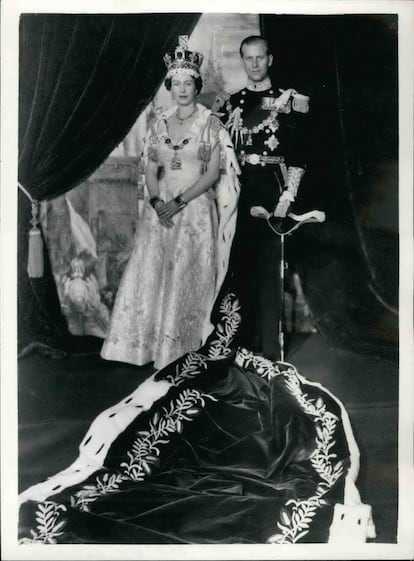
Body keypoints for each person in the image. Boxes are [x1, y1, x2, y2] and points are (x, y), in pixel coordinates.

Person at [100, 36, 240, 371]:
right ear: (169, 86)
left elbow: (210, 175)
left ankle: (181, 348)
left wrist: (177, 202)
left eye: (188, 83)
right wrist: (154, 200)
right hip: (160, 211)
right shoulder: (158, 123)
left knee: (185, 278)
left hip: (193, 211)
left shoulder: (209, 124)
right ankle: (141, 347)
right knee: (152, 275)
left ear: (196, 85)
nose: (182, 89)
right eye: (176, 83)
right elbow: (149, 168)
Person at [213, 35, 310, 361]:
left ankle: (270, 352)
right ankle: (241, 348)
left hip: (271, 188)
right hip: (239, 190)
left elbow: (298, 155)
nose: (254, 64)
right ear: (243, 61)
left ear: (269, 59)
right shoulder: (230, 103)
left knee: (270, 272)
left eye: (259, 58)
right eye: (248, 58)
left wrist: (287, 197)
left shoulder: (290, 101)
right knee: (239, 270)